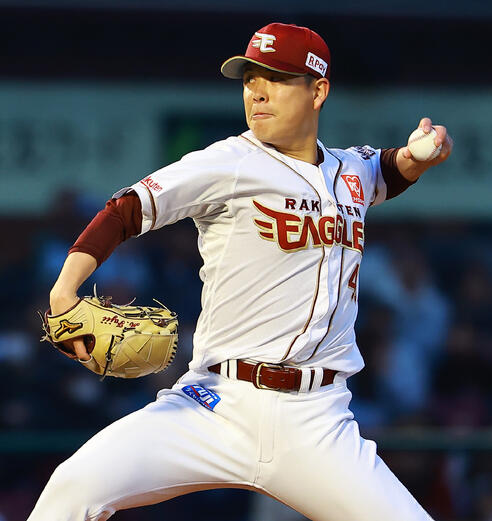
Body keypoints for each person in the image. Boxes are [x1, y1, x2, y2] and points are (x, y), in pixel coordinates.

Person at [28, 22, 453, 521]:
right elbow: (127, 209)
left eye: (276, 78)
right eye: (250, 78)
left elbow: (384, 170)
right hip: (213, 404)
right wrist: (64, 289)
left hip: (316, 421)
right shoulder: (228, 162)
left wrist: (416, 157)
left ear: (318, 91)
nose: (257, 92)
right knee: (74, 486)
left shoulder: (349, 170)